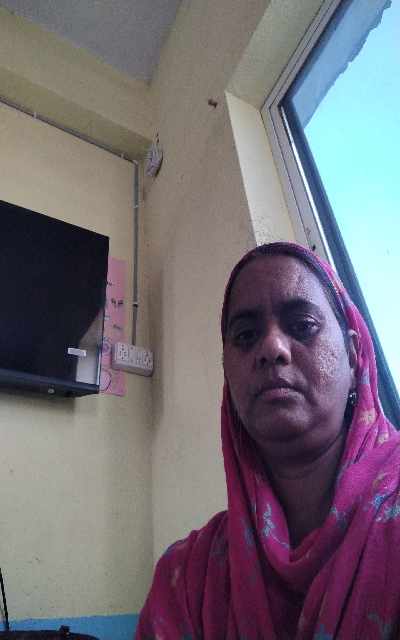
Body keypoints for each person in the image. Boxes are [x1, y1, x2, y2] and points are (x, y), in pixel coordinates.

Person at [135, 241, 400, 639]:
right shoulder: (187, 580)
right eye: (245, 335)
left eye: (302, 325)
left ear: (353, 354)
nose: (271, 348)